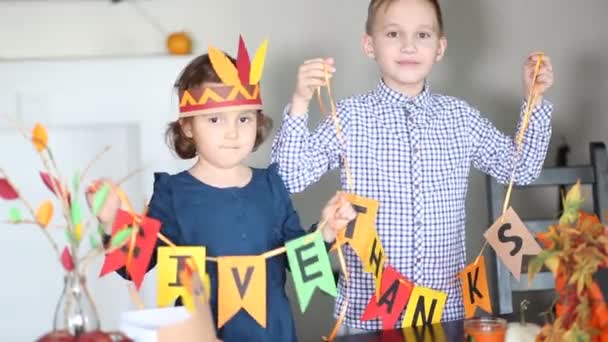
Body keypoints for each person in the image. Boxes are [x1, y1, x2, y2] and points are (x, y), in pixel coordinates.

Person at [271, 0, 554, 333]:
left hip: (445, 310)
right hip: (367, 316)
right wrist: (301, 102)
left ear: (440, 47)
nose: (408, 45)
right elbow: (289, 177)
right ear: (369, 45)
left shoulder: (460, 117)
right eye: (393, 33)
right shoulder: (348, 118)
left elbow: (519, 170)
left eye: (422, 34)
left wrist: (533, 100)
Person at [89, 38, 355, 342]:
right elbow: (134, 266)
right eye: (215, 119)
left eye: (244, 118)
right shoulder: (172, 193)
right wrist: (112, 222)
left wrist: (326, 231)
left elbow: (300, 265)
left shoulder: (272, 185)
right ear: (188, 127)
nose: (233, 132)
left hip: (273, 334)